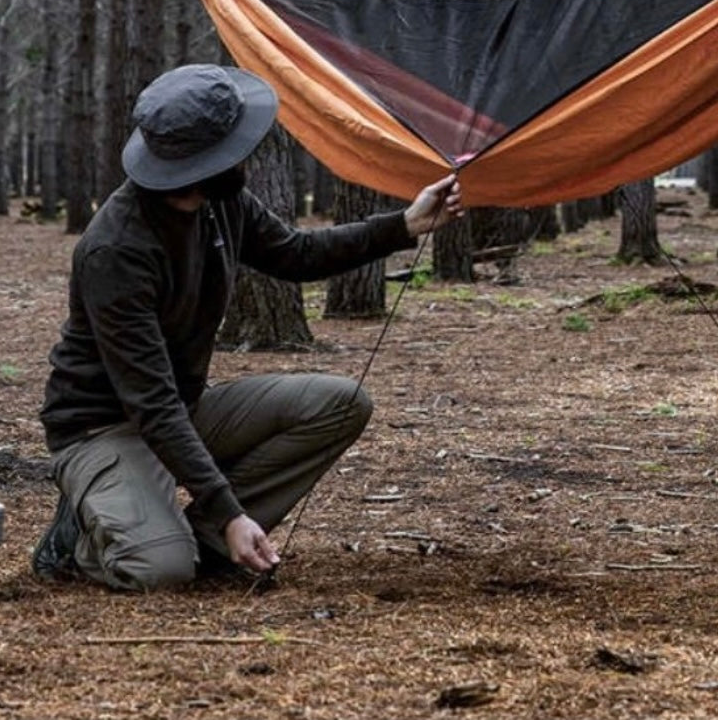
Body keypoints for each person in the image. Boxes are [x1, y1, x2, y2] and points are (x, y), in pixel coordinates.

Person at [32, 63, 463, 591]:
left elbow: (295, 254)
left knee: (339, 402)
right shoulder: (116, 250)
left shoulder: (222, 201)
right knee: (159, 571)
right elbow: (149, 401)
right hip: (103, 429)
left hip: (180, 411)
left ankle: (210, 541)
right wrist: (232, 508)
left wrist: (402, 226)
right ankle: (80, 540)